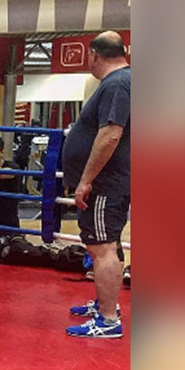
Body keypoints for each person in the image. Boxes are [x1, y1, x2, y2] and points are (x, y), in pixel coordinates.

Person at [65, 31, 130, 338]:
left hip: (105, 183)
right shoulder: (119, 82)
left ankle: (108, 319)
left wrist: (86, 179)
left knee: (102, 247)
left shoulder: (117, 83)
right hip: (109, 181)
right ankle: (106, 304)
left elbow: (111, 134)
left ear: (93, 54)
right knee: (105, 245)